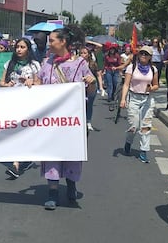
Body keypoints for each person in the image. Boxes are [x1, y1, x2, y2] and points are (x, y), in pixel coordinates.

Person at [32, 27, 95, 210]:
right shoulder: (47, 62)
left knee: (71, 153)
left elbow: (91, 92)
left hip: (72, 119)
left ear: (63, 42)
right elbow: (39, 83)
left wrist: (91, 84)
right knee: (51, 153)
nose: (49, 44)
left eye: (52, 40)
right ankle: (52, 191)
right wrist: (31, 83)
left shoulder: (80, 64)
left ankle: (71, 184)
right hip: (51, 119)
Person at [0, 38, 40, 178]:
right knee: (15, 132)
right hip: (13, 103)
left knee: (26, 132)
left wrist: (32, 82)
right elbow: (1, 82)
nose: (19, 49)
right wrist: (7, 85)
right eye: (17, 47)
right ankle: (16, 163)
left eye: (22, 47)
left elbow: (40, 84)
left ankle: (22, 160)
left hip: (29, 103)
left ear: (28, 49)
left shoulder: (34, 65)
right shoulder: (9, 64)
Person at [120, 46, 159, 163]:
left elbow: (156, 85)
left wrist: (152, 88)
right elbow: (126, 84)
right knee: (134, 126)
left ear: (150, 57)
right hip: (134, 98)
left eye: (146, 54)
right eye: (142, 53)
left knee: (146, 126)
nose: (143, 55)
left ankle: (144, 151)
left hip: (147, 99)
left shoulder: (153, 69)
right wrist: (123, 99)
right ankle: (128, 142)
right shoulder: (131, 68)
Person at [80, 46, 98, 131]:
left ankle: (88, 121)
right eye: (81, 53)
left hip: (91, 86)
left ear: (88, 54)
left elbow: (98, 75)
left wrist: (101, 87)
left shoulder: (92, 63)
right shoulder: (77, 63)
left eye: (85, 53)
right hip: (81, 86)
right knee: (81, 104)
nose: (83, 55)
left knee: (89, 104)